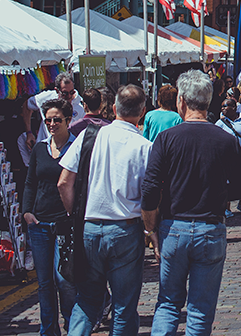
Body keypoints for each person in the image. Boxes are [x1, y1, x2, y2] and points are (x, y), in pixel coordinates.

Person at [142, 71, 241, 336]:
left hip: (173, 226)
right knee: (200, 309)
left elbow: (150, 188)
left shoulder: (167, 139)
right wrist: (219, 192)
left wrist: (150, 227)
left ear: (181, 102)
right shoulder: (225, 140)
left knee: (168, 303)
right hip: (210, 227)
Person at [58, 85, 152, 336]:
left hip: (90, 226)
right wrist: (151, 228)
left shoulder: (89, 136)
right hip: (125, 229)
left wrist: (75, 214)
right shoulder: (144, 147)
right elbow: (151, 194)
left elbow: (64, 182)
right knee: (123, 305)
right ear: (142, 112)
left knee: (87, 300)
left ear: (113, 109)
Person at [22, 98, 77, 336]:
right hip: (40, 223)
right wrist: (26, 212)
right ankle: (48, 331)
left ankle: (71, 323)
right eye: (48, 120)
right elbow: (30, 182)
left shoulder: (76, 148)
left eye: (57, 120)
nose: (52, 124)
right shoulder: (40, 148)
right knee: (44, 283)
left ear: (68, 120)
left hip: (66, 223)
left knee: (64, 279)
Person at [216, 97, 241, 217]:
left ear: (233, 107)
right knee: (226, 182)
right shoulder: (220, 123)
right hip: (227, 158)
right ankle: (226, 207)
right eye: (222, 106)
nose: (223, 109)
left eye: (225, 106)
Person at [26, 71, 84, 148]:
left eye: (71, 92)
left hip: (69, 149)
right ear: (57, 91)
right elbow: (26, 106)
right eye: (65, 93)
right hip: (46, 149)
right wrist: (29, 132)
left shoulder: (80, 106)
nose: (69, 96)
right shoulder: (46, 97)